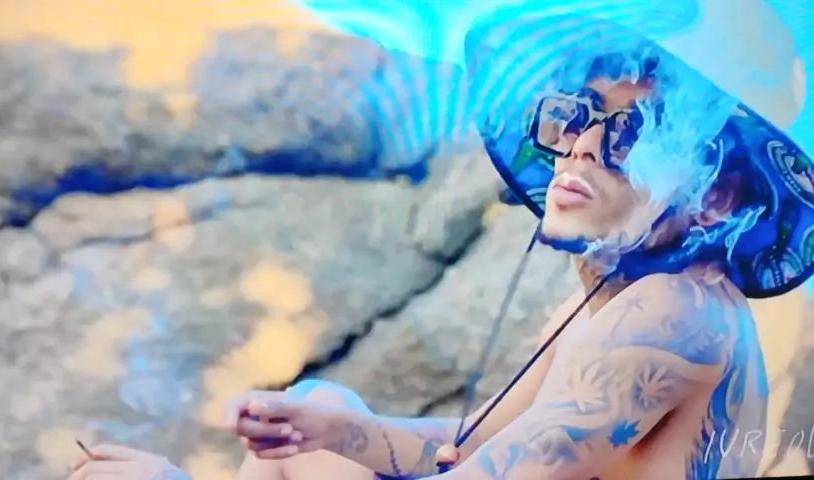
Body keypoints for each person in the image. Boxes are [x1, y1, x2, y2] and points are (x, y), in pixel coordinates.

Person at [67, 1, 814, 479]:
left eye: (630, 132)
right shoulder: (617, 300)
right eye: (579, 114)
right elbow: (477, 446)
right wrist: (338, 428)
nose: (581, 145)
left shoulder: (675, 314)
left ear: (717, 195)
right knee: (318, 412)